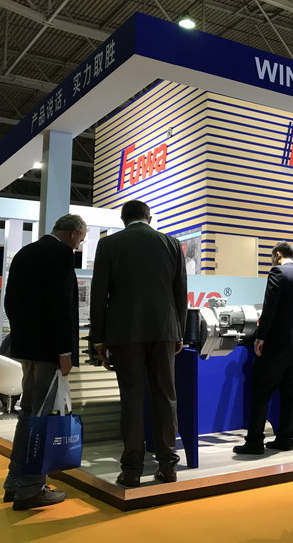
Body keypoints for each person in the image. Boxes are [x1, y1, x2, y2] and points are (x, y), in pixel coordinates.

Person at [90, 200, 187, 487]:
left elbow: (99, 293)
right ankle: (168, 466)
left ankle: (132, 469)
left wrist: (98, 338)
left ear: (123, 220)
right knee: (166, 396)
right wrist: (179, 332)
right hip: (164, 330)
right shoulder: (171, 244)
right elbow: (180, 291)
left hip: (125, 331)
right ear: (149, 218)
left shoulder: (109, 244)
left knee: (132, 397)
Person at [2, 214, 86, 510]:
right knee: (43, 416)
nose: (78, 246)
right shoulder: (61, 254)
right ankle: (31, 488)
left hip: (26, 348)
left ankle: (14, 481)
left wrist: (23, 338)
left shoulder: (25, 252)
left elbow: (10, 301)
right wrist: (65, 352)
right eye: (80, 240)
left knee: (28, 414)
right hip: (50, 350)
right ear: (74, 233)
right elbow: (60, 306)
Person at [233, 241, 293, 456]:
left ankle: (254, 441)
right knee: (289, 392)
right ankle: (285, 439)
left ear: (277, 254)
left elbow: (270, 306)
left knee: (261, 391)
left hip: (276, 342)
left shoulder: (278, 272)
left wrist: (261, 336)